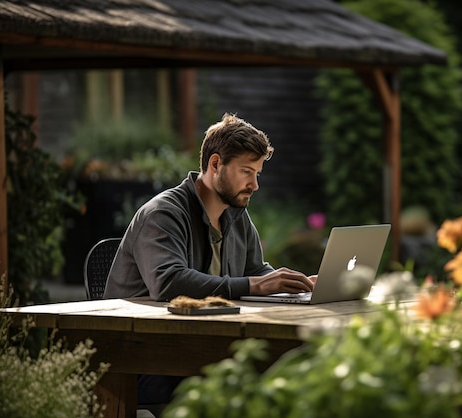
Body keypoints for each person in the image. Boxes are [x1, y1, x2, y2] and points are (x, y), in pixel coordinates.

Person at [103, 112, 316, 407]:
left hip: (199, 349)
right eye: (246, 172)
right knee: (246, 384)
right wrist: (255, 285)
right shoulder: (163, 214)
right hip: (144, 361)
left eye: (257, 174)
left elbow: (255, 271)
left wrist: (299, 285)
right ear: (215, 164)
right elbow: (169, 281)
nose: (254, 185)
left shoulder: (236, 215)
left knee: (285, 371)